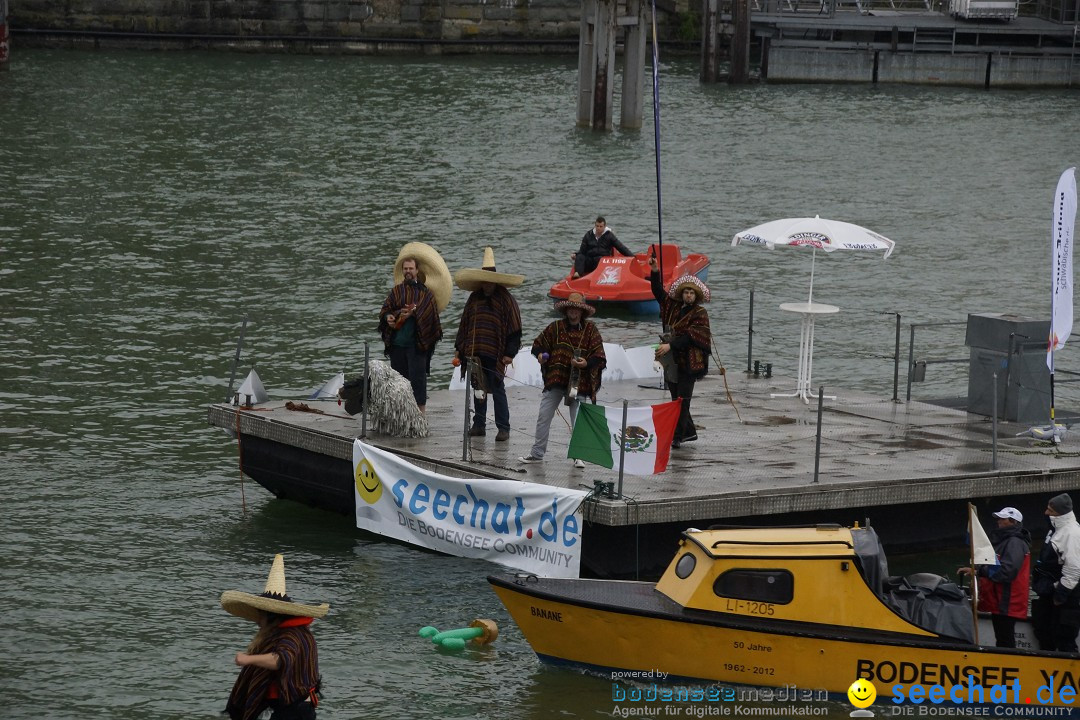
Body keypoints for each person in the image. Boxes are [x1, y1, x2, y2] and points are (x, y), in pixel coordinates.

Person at [221, 554, 329, 720]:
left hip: (295, 711)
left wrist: (247, 659)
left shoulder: (291, 635)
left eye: (260, 615)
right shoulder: (298, 632)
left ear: (271, 616)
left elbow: (280, 659)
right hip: (296, 709)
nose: (257, 620)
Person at [519, 292, 606, 468]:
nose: (573, 312)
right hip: (556, 380)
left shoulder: (591, 330)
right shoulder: (555, 327)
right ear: (566, 310)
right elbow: (537, 345)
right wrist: (541, 356)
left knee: (578, 420)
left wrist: (586, 363)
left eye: (577, 309)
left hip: (578, 383)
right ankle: (537, 454)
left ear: (582, 312)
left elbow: (600, 356)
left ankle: (578, 455)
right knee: (544, 416)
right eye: (571, 309)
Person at [453, 247, 524, 442]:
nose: (487, 284)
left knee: (497, 388)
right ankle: (479, 425)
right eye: (483, 280)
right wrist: (460, 350)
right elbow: (464, 325)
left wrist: (510, 353)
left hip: (497, 352)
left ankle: (503, 427)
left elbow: (515, 329)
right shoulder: (474, 298)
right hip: (475, 352)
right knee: (478, 387)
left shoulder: (506, 299)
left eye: (489, 281)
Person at [378, 243, 450, 414]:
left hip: (418, 346)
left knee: (418, 382)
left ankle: (420, 417)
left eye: (411, 268)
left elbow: (431, 319)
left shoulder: (426, 294)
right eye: (405, 268)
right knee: (398, 383)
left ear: (418, 271)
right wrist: (389, 316)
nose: (408, 271)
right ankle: (401, 416)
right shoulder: (396, 292)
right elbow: (385, 310)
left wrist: (414, 314)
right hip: (397, 345)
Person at [648, 255, 711, 449]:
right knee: (675, 399)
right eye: (686, 292)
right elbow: (658, 293)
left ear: (696, 295)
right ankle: (689, 432)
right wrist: (655, 270)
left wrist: (671, 345)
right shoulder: (673, 307)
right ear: (682, 294)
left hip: (690, 363)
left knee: (683, 400)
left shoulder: (700, 314)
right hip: (672, 361)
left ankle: (677, 436)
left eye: (692, 293)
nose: (689, 295)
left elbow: (693, 336)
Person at [958, 507, 1031, 648]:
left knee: (1005, 639)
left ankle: (1008, 664)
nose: (998, 521)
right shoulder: (1007, 541)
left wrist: (980, 572)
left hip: (1008, 600)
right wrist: (976, 570)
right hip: (1001, 599)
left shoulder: (1014, 543)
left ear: (1013, 522)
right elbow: (994, 565)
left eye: (1002, 519)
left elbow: (1006, 572)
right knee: (1002, 637)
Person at [1032, 493, 1080, 652]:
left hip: (1064, 597)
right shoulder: (1055, 530)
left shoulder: (1071, 534)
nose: (1046, 513)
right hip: (1048, 593)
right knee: (1043, 632)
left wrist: (1060, 595)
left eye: (1050, 510)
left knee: (1064, 638)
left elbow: (1073, 570)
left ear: (1060, 513)